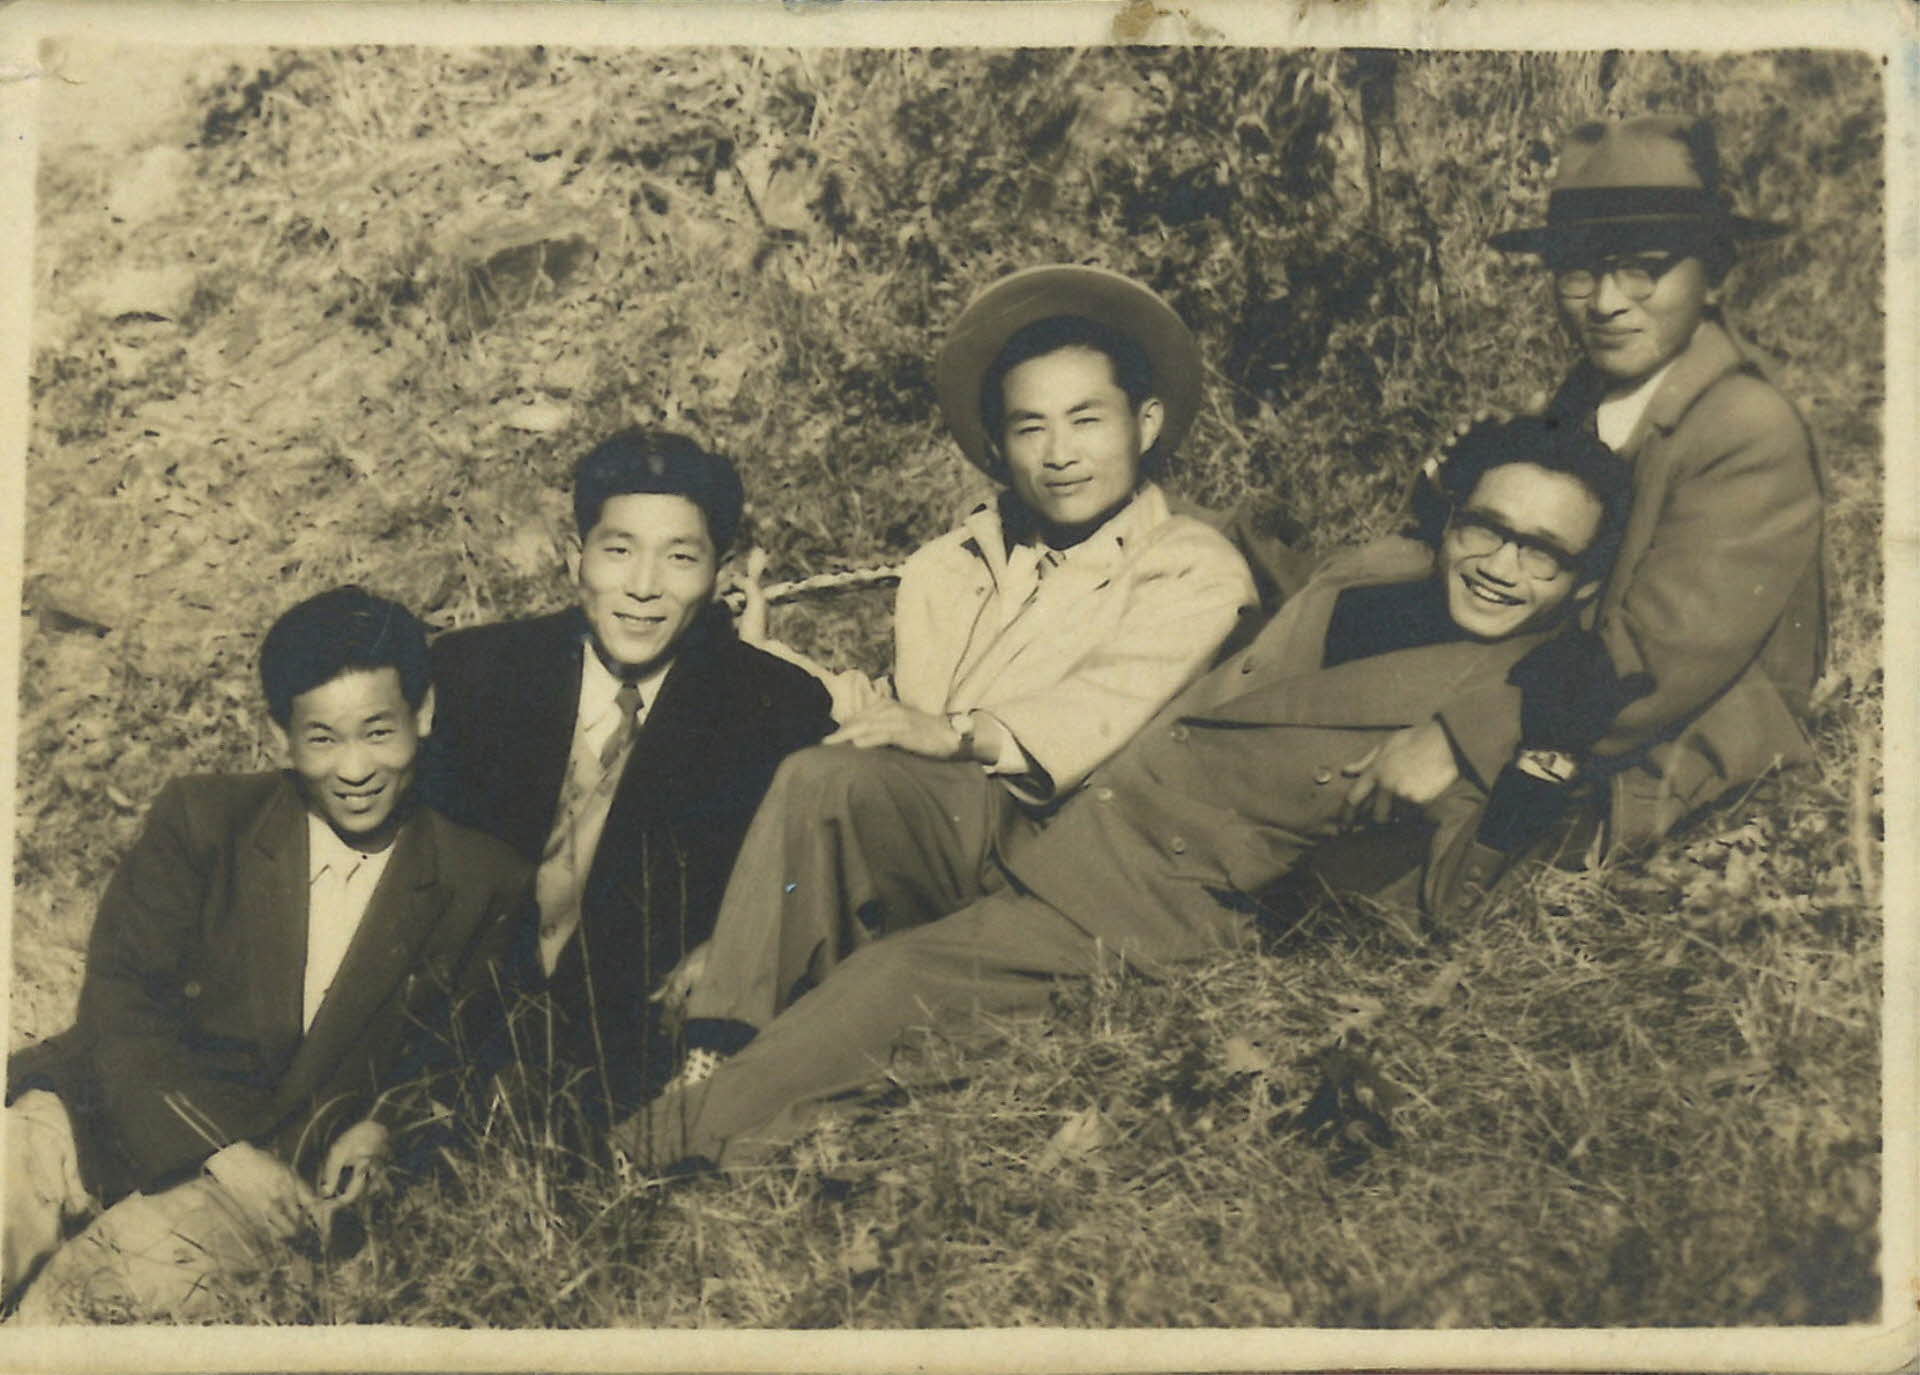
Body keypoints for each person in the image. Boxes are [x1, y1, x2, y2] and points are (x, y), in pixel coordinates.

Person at [616, 417, 1638, 1171]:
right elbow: (1282, 583)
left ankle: (648, 1154)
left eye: (1544, 552)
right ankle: (716, 1050)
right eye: (1487, 527)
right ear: (1450, 519)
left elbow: (1453, 902)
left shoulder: (1506, 708)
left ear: (1585, 584)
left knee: (891, 983)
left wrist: (1522, 739)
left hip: (1148, 903)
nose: (1501, 565)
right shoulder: (1382, 574)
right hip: (1073, 810)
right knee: (833, 779)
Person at [674, 265, 1257, 1068]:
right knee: (792, 755)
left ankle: (718, 1048)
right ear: (999, 445)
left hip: (1071, 853)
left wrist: (958, 733)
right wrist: (760, 660)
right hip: (947, 831)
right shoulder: (949, 566)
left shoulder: (1191, 567)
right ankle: (728, 1017)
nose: (1059, 454)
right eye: (1030, 428)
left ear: (1145, 422)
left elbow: (1104, 706)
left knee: (825, 781)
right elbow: (895, 713)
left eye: (1086, 420)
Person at [4, 588, 530, 1320]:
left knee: (76, 1311)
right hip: (109, 1107)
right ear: (281, 734)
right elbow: (120, 1003)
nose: (354, 768)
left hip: (268, 1182)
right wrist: (220, 1148)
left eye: (378, 732)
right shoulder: (205, 818)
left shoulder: (481, 880)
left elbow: (460, 1060)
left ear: (425, 714)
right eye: (323, 739)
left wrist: (383, 1129)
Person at [1343, 115, 1824, 865]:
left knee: (1353, 843)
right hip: (1554, 689)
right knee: (1339, 610)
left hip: (1661, 751)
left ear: (1714, 276)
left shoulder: (1746, 429)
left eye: (1642, 269)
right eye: (1578, 270)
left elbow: (1653, 657)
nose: (1604, 302)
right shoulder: (1592, 392)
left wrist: (1460, 735)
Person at [424, 429, 835, 1126]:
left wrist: (728, 947)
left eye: (681, 557)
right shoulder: (474, 674)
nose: (644, 587)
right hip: (451, 1040)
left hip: (626, 1064)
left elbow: (796, 883)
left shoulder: (772, 708)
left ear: (721, 575)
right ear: (574, 558)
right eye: (618, 551)